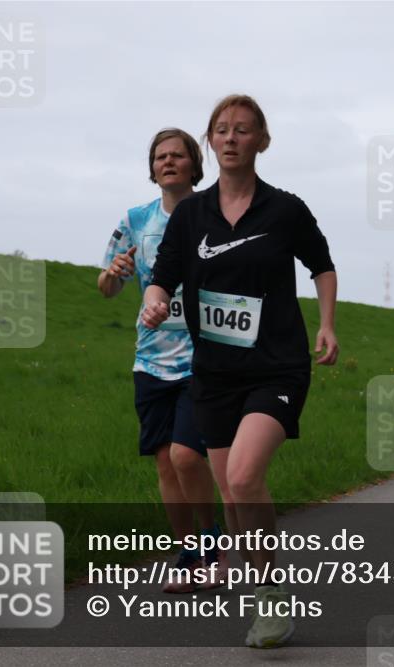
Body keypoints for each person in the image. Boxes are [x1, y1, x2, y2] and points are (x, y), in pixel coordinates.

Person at [142, 94, 338, 649]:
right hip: (216, 373)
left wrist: (327, 324)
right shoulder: (191, 216)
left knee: (245, 477)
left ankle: (273, 598)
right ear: (212, 141)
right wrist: (154, 301)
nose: (232, 138)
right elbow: (164, 274)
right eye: (222, 130)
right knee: (233, 498)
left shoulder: (285, 209)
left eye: (244, 130)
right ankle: (265, 589)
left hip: (276, 367)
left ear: (261, 142)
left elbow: (322, 265)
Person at [98, 128, 226, 594]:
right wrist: (114, 275)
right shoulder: (135, 220)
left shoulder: (214, 214)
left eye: (177, 155)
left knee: (187, 454)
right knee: (165, 466)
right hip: (150, 359)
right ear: (151, 168)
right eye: (159, 157)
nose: (168, 162)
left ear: (195, 164)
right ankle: (189, 555)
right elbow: (107, 287)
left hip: (203, 356)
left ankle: (214, 547)